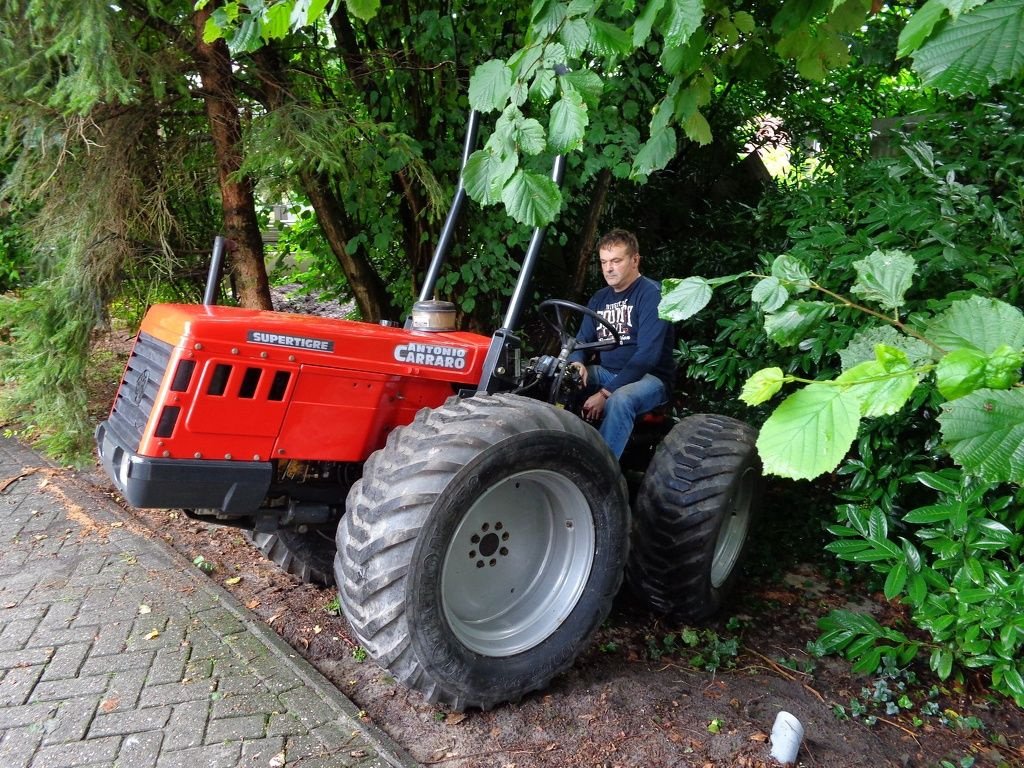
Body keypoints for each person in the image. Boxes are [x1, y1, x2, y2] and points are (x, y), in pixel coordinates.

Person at [567, 229, 676, 459]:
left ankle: (600, 470)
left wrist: (606, 393)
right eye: (604, 262)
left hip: (650, 379)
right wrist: (576, 363)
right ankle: (564, 452)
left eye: (616, 260)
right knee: (561, 379)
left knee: (620, 400)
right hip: (608, 372)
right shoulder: (599, 298)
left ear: (635, 260)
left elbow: (647, 356)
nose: (608, 268)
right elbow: (581, 340)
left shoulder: (652, 295)